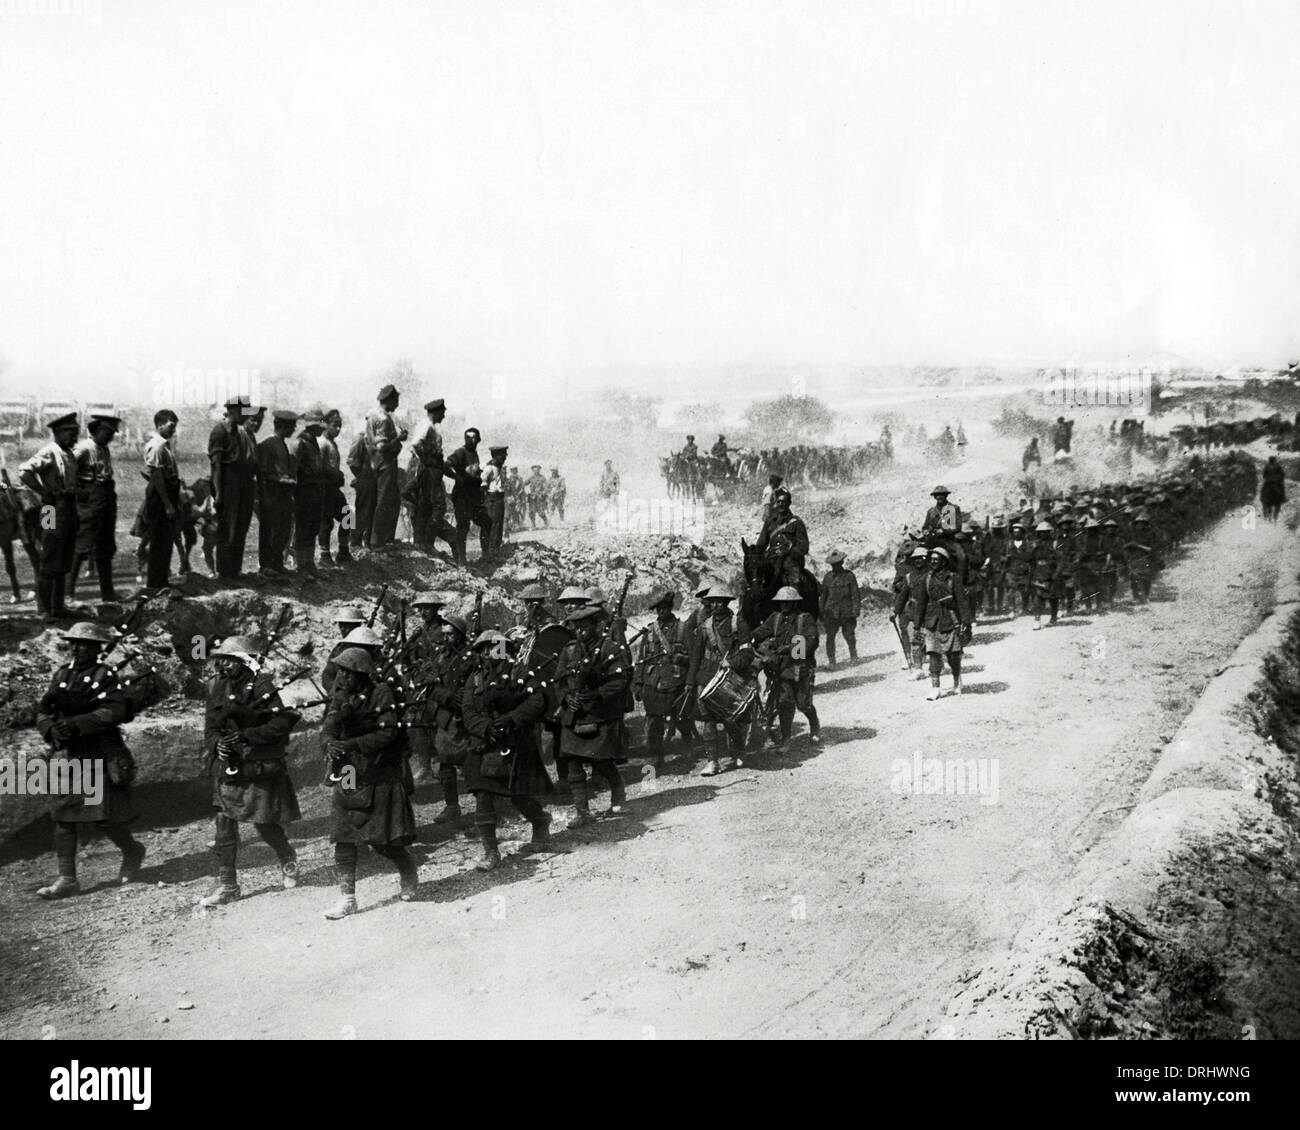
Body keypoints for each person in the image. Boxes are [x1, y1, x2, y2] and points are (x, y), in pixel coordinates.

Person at [33, 621, 146, 898]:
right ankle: (67, 879)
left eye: (86, 645)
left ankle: (132, 851)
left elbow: (115, 711)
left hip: (98, 752)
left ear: (97, 649)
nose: (79, 649)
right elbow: (43, 709)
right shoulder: (62, 674)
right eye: (75, 643)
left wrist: (76, 723)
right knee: (62, 815)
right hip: (68, 753)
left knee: (102, 818)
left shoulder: (104, 674)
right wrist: (50, 728)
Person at [199, 636, 303, 906]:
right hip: (228, 765)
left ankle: (287, 857)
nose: (224, 665)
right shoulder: (217, 686)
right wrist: (217, 744)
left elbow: (281, 724)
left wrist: (247, 736)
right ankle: (228, 885)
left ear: (244, 661)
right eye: (223, 660)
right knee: (223, 824)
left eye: (231, 660)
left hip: (257, 764)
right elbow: (210, 727)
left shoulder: (262, 686)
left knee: (265, 825)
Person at [322, 647, 419, 917]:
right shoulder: (340, 694)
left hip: (378, 773)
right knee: (344, 835)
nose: (340, 676)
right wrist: (329, 744)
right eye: (339, 670)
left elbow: (388, 733)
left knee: (382, 842)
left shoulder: (381, 693)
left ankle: (408, 872)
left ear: (361, 674)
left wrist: (351, 742)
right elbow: (329, 725)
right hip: (349, 770)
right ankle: (348, 898)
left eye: (346, 672)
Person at [460, 629, 556, 869]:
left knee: (518, 795)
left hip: (515, 742)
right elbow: (468, 711)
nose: (490, 652)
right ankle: (491, 852)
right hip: (484, 743)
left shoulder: (520, 672)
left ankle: (540, 822)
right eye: (485, 649)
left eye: (495, 647)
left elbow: (538, 701)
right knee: (482, 795)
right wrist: (485, 728)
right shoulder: (475, 679)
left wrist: (512, 719)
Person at [553, 602, 632, 827]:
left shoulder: (610, 648)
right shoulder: (568, 650)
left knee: (603, 763)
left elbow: (620, 681)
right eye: (576, 628)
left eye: (584, 627)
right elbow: (558, 680)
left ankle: (618, 795)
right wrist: (566, 697)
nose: (580, 632)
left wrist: (598, 694)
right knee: (573, 762)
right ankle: (582, 811)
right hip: (575, 714)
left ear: (596, 625)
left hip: (600, 713)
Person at [686, 585, 756, 776]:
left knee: (729, 719)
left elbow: (747, 653)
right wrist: (690, 683)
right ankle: (712, 762)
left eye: (720, 601)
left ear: (726, 602)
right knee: (707, 720)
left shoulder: (738, 623)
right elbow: (695, 657)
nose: (715, 604)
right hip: (707, 677)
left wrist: (731, 663)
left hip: (729, 678)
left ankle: (739, 751)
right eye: (713, 601)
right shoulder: (704, 627)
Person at [18, 411, 81, 620]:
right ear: (58, 433)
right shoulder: (49, 451)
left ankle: (58, 607)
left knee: (64, 558)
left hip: (69, 507)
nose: (74, 437)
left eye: (76, 433)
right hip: (50, 509)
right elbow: (24, 472)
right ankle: (44, 609)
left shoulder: (69, 454)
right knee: (49, 554)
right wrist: (44, 492)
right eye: (70, 433)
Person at [750, 585, 820, 747]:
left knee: (803, 704)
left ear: (795, 603)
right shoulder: (775, 618)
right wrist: (747, 637)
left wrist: (790, 648)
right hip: (781, 669)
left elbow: (812, 642)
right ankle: (786, 737)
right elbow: (760, 632)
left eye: (789, 602)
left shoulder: (805, 618)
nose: (785, 606)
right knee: (784, 703)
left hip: (799, 668)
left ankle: (814, 725)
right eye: (782, 602)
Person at [425, 613, 476, 825]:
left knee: (472, 761)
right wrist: (448, 697)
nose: (446, 639)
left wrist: (467, 698)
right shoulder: (440, 657)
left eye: (451, 635)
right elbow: (430, 687)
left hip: (469, 716)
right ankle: (452, 806)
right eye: (444, 635)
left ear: (461, 636)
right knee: (445, 761)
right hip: (447, 716)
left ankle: (486, 805)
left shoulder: (472, 656)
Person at [633, 587, 694, 765]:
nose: (662, 612)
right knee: (653, 722)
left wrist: (681, 660)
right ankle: (656, 754)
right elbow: (641, 660)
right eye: (659, 609)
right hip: (653, 683)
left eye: (665, 608)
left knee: (682, 718)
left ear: (670, 607)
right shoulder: (651, 631)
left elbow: (693, 658)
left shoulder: (683, 629)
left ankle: (687, 746)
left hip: (677, 682)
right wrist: (638, 682)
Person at [68, 414, 120, 602]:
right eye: (108, 432)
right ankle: (68, 592)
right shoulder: (83, 448)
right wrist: (80, 492)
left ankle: (107, 593)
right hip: (91, 499)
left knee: (105, 546)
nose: (111, 437)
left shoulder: (103, 448)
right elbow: (67, 469)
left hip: (106, 497)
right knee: (83, 544)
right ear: (97, 430)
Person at [208, 396, 258, 582]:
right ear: (233, 411)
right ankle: (225, 573)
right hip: (229, 483)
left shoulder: (238, 432)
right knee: (228, 528)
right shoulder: (220, 431)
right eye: (243, 411)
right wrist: (219, 493)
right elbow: (216, 465)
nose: (246, 416)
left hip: (243, 483)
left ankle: (235, 571)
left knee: (241, 528)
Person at [913, 546, 971, 700]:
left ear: (943, 562)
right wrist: (917, 625)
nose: (932, 562)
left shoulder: (954, 578)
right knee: (933, 655)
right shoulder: (926, 579)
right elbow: (921, 604)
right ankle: (935, 687)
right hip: (932, 622)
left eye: (936, 560)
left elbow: (962, 602)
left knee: (953, 656)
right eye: (931, 559)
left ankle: (957, 680)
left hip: (950, 621)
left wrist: (966, 622)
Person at [140, 409, 181, 595]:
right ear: (159, 425)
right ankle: (154, 583)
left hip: (168, 493)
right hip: (160, 497)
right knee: (158, 541)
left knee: (166, 540)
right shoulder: (156, 447)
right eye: (171, 426)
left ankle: (161, 580)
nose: (173, 430)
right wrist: (167, 504)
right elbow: (157, 477)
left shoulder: (165, 446)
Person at [410, 398, 457, 554]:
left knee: (426, 506)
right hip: (429, 470)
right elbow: (416, 443)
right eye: (442, 412)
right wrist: (427, 459)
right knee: (439, 506)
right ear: (436, 412)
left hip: (432, 469)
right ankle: (428, 542)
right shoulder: (427, 425)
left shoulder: (431, 427)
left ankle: (422, 542)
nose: (444, 416)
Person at [365, 384, 408, 548]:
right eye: (396, 400)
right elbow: (382, 446)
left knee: (380, 501)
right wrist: (399, 438)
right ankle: (377, 541)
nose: (397, 404)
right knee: (384, 501)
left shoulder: (372, 414)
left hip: (375, 462)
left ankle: (375, 538)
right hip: (385, 463)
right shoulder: (383, 418)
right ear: (390, 399)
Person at [256, 410, 298, 576]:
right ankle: (266, 565)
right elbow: (263, 471)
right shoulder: (268, 444)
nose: (294, 429)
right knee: (270, 530)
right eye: (291, 426)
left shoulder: (282, 444)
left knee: (283, 530)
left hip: (283, 495)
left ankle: (277, 563)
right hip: (272, 494)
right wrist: (281, 480)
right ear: (282, 426)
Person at [444, 428, 492, 566]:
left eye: (474, 438)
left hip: (474, 495)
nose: (471, 440)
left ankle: (485, 555)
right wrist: (457, 477)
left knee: (486, 522)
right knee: (463, 527)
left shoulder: (474, 453)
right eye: (468, 438)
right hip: (463, 495)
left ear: (478, 439)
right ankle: (462, 560)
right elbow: (446, 465)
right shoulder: (461, 452)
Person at [292, 411, 326, 578]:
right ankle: (301, 565)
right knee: (303, 527)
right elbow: (295, 468)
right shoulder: (301, 443)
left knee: (313, 527)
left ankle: (309, 563)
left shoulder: (313, 442)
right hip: (304, 491)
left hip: (315, 490)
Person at [317, 409, 353, 566]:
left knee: (348, 516)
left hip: (334, 489)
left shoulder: (333, 443)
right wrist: (335, 474)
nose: (338, 429)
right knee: (325, 522)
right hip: (324, 488)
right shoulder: (322, 443)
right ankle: (324, 555)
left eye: (340, 426)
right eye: (334, 425)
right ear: (325, 424)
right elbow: (320, 467)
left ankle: (343, 550)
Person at [755, 487, 809, 587]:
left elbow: (804, 547)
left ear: (789, 503)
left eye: (784, 502)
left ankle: (794, 602)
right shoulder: (770, 522)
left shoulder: (796, 522)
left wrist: (788, 553)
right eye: (778, 501)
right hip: (771, 560)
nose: (781, 504)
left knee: (795, 581)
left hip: (790, 562)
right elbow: (761, 544)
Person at [891, 546, 930, 676]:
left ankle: (938, 664)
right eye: (916, 559)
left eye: (921, 558)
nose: (918, 561)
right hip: (915, 612)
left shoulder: (932, 574)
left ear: (926, 559)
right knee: (916, 639)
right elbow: (902, 596)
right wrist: (895, 611)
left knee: (933, 639)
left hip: (931, 612)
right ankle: (918, 669)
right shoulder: (909, 577)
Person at [819, 549, 860, 668]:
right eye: (833, 565)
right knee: (830, 637)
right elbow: (823, 596)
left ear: (842, 563)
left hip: (847, 611)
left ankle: (853, 655)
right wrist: (821, 612)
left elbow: (855, 594)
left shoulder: (849, 576)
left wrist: (856, 610)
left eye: (837, 564)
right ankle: (832, 661)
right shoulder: (827, 578)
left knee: (849, 634)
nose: (835, 566)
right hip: (831, 612)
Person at [346, 424, 376, 552]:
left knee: (372, 512)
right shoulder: (360, 438)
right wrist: (361, 475)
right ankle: (355, 543)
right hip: (365, 478)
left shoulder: (373, 438)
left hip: (374, 479)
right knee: (362, 511)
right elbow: (352, 461)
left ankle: (368, 542)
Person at [482, 445, 509, 555]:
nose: (505, 458)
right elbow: (482, 485)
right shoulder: (489, 469)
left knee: (498, 525)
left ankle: (495, 550)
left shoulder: (501, 469)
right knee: (490, 525)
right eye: (502, 456)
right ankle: (488, 551)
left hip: (499, 499)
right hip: (491, 499)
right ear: (495, 456)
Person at [1261, 455, 1286, 522]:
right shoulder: (1278, 466)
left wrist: (1268, 478)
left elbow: (1264, 475)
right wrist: (1278, 478)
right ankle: (1283, 498)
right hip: (1276, 483)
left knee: (1263, 490)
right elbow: (1282, 474)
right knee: (1281, 489)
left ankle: (1263, 500)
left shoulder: (1267, 466)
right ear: (1274, 460)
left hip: (1268, 482)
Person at [525, 464, 549, 528]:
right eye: (534, 470)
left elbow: (546, 487)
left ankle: (546, 521)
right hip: (532, 497)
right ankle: (533, 525)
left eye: (537, 470)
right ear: (533, 471)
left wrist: (543, 493)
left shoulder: (542, 478)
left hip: (539, 497)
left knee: (540, 512)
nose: (536, 471)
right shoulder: (531, 478)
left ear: (539, 470)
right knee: (531, 512)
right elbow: (524, 483)